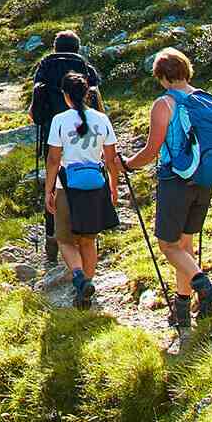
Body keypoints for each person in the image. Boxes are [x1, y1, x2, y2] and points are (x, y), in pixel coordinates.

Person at [123, 48, 212, 328]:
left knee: (168, 246)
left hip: (176, 179)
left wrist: (128, 165)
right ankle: (181, 311)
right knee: (185, 245)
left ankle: (206, 288)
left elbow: (152, 149)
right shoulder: (207, 99)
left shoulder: (165, 104)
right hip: (205, 178)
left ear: (162, 77)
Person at [44, 73, 125, 309]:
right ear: (87, 91)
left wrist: (48, 190)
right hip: (95, 186)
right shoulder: (102, 119)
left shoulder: (60, 120)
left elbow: (53, 160)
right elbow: (111, 159)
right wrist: (113, 186)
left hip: (67, 187)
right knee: (88, 241)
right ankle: (86, 289)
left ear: (66, 95)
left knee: (65, 239)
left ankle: (79, 278)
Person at [29, 31, 104, 267]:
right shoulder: (84, 66)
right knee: (83, 182)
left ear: (55, 47)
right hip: (84, 137)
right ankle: (86, 234)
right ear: (77, 47)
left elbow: (34, 111)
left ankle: (52, 236)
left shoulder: (44, 66)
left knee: (54, 187)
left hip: (54, 135)